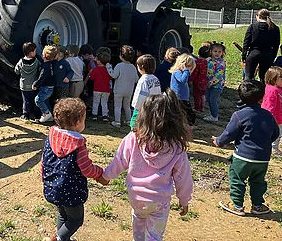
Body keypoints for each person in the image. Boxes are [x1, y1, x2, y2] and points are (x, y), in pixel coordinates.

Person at [101, 91, 193, 241]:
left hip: (136, 196)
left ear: (144, 115)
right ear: (175, 119)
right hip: (159, 201)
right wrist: (184, 200)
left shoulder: (134, 138)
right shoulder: (176, 147)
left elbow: (120, 160)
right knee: (154, 236)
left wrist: (106, 176)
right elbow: (183, 178)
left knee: (139, 224)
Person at [41, 98, 105, 241]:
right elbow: (87, 169)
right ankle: (59, 238)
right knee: (76, 220)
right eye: (83, 120)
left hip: (52, 186)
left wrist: (45, 179)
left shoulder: (51, 138)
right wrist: (99, 172)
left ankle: (64, 238)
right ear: (77, 123)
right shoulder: (78, 145)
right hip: (72, 192)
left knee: (63, 214)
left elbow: (43, 162)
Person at [213, 80, 279, 216]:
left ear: (241, 98)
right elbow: (275, 134)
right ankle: (258, 205)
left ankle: (237, 205)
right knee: (258, 182)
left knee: (237, 179)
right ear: (262, 98)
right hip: (263, 159)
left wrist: (219, 142)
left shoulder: (239, 115)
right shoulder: (268, 115)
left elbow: (229, 134)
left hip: (243, 156)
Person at [242, 9, 280, 82]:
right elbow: (276, 45)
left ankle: (247, 92)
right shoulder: (275, 28)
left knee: (248, 77)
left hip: (253, 53)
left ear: (258, 16)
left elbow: (246, 43)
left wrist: (244, 56)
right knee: (264, 78)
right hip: (267, 54)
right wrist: (272, 57)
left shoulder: (252, 27)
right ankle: (264, 92)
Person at [106, 45, 138, 127]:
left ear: (122, 56)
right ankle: (128, 121)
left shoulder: (119, 66)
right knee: (127, 106)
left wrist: (109, 67)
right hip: (129, 91)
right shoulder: (133, 67)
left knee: (117, 106)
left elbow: (114, 75)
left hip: (119, 90)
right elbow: (136, 80)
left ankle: (117, 121)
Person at [130, 55, 161, 129]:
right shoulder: (155, 79)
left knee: (135, 125)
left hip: (142, 108)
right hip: (153, 107)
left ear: (142, 67)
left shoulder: (143, 80)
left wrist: (136, 106)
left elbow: (141, 95)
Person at [15, 42, 41, 121]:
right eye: (35, 51)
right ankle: (37, 116)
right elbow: (40, 68)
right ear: (31, 52)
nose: (36, 53)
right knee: (34, 101)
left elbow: (16, 71)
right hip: (33, 85)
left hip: (24, 86)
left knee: (26, 101)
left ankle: (26, 115)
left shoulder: (21, 62)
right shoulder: (36, 61)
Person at [169, 54, 197, 127]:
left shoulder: (183, 72)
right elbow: (182, 80)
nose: (189, 70)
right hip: (178, 98)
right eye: (188, 67)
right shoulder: (177, 72)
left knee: (186, 113)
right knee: (188, 114)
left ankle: (184, 125)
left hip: (183, 97)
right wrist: (186, 70)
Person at [33, 45, 58, 123]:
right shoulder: (52, 63)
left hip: (46, 88)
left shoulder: (45, 67)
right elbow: (43, 60)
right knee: (45, 101)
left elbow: (42, 77)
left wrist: (35, 84)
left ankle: (46, 113)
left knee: (38, 100)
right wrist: (36, 54)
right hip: (50, 87)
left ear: (43, 55)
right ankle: (50, 117)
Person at [86, 51, 112, 121]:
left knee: (96, 102)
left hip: (97, 88)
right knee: (104, 102)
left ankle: (94, 114)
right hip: (106, 89)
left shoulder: (95, 69)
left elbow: (92, 78)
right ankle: (105, 115)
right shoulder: (108, 69)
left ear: (99, 61)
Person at [261, 67, 282, 155]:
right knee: (275, 133)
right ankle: (273, 148)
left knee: (278, 133)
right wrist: (270, 118)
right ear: (273, 79)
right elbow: (269, 106)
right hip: (274, 118)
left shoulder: (278, 89)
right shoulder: (272, 90)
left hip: (279, 117)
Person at [204, 43, 226, 123]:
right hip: (209, 84)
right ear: (211, 51)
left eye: (219, 52)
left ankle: (214, 116)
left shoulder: (221, 63)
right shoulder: (210, 60)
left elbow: (218, 75)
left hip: (217, 85)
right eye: (215, 51)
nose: (217, 53)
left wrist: (211, 82)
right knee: (209, 99)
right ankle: (212, 113)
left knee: (213, 100)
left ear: (222, 53)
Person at [190, 46, 209, 113]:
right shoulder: (206, 62)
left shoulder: (197, 62)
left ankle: (197, 108)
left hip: (197, 82)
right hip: (204, 81)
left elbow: (195, 73)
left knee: (197, 96)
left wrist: (191, 80)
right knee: (203, 95)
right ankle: (202, 107)